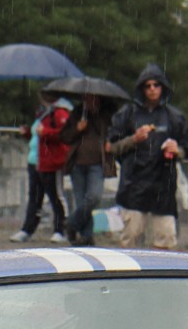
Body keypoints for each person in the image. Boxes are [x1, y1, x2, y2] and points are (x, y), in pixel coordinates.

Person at [108, 64, 188, 249]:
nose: (152, 89)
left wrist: (176, 150)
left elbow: (187, 150)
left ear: (163, 87)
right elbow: (111, 147)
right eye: (147, 85)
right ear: (141, 88)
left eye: (156, 85)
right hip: (134, 186)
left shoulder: (175, 117)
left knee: (166, 241)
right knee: (130, 241)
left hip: (163, 187)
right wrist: (133, 139)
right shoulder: (127, 114)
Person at [10, 90, 72, 243]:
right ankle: (27, 229)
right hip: (35, 161)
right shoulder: (42, 114)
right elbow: (37, 137)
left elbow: (65, 134)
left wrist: (46, 132)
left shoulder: (60, 113)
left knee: (55, 196)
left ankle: (61, 229)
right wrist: (27, 133)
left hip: (51, 162)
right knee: (35, 197)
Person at [63, 92, 114, 246]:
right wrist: (77, 128)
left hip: (97, 164)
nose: (89, 101)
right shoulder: (77, 113)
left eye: (92, 98)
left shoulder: (106, 114)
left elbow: (112, 133)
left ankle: (71, 223)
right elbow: (65, 136)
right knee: (81, 201)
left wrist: (95, 116)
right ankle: (86, 237)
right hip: (77, 164)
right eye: (86, 98)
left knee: (94, 197)